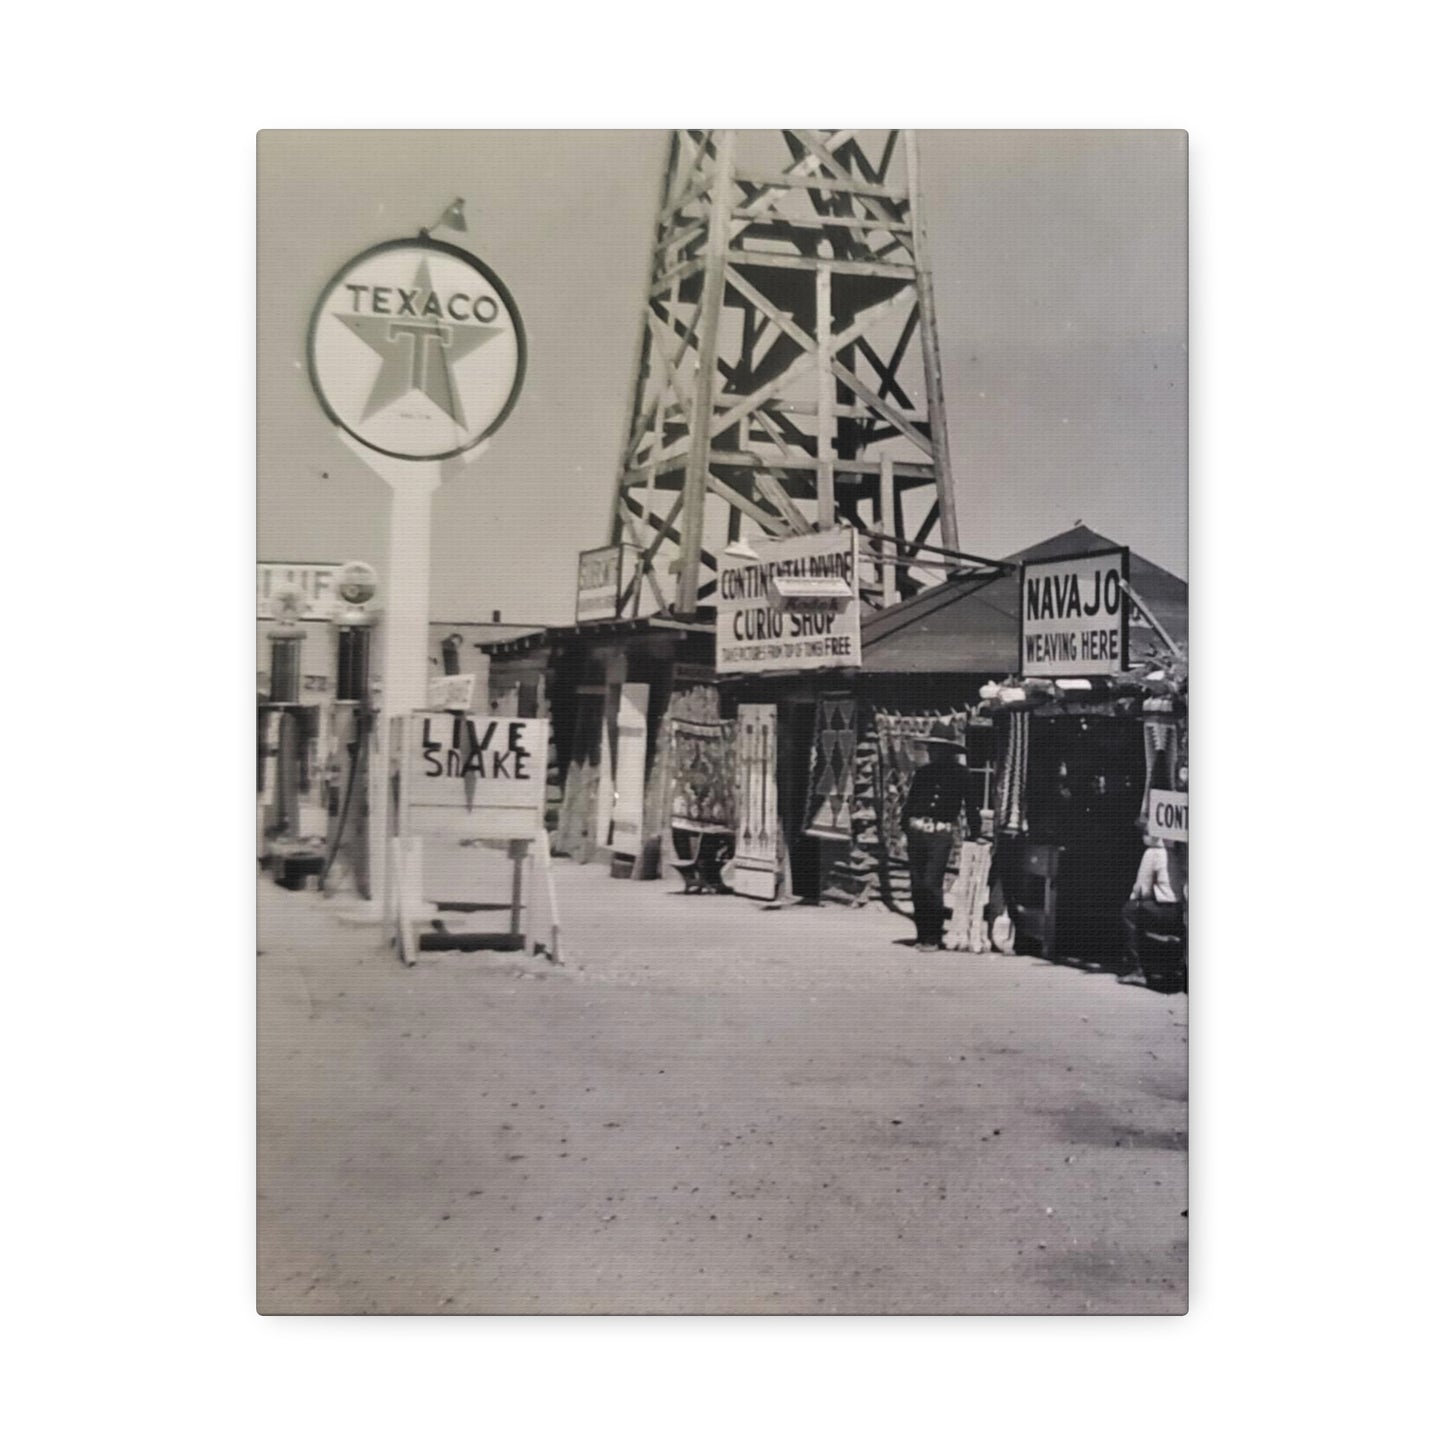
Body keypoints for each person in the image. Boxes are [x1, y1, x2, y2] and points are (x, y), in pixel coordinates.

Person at [902, 721, 978, 951]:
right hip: (918, 832)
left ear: (948, 751)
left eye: (938, 749)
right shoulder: (923, 773)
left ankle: (934, 936)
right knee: (917, 884)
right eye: (931, 748)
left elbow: (971, 806)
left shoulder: (961, 775)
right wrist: (906, 827)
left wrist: (976, 833)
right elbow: (910, 803)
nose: (932, 753)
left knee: (931, 883)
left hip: (940, 834)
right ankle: (921, 934)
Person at [1119, 833, 1186, 983]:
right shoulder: (1176, 852)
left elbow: (1142, 889)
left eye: (1146, 832)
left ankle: (1136, 969)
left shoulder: (1153, 852)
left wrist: (1135, 898)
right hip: (1177, 910)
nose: (1143, 836)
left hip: (1162, 909)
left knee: (1129, 911)